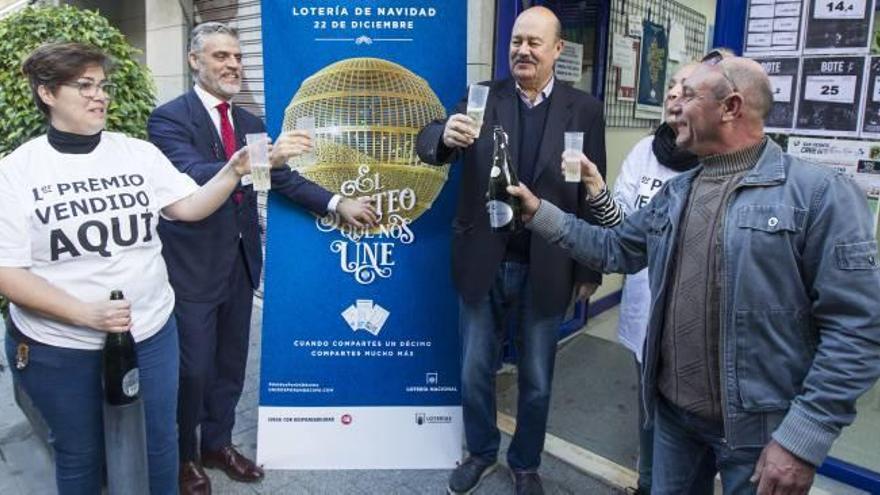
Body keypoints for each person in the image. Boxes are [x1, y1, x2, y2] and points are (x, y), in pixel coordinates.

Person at [511, 54, 880, 495]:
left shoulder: (819, 195)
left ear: (730, 107)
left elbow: (859, 327)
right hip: (673, 421)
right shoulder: (677, 193)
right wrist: (538, 213)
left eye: (687, 95)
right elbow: (615, 248)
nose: (674, 106)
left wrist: (803, 438)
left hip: (760, 435)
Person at [0, 41, 265, 495]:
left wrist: (232, 172)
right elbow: (8, 270)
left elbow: (187, 207)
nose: (98, 96)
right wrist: (86, 315)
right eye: (84, 86)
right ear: (46, 93)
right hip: (60, 345)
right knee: (81, 455)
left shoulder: (136, 154)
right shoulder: (17, 172)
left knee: (160, 444)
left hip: (152, 331)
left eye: (102, 86)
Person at [147, 22, 377, 495]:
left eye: (237, 56)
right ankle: (184, 457)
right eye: (221, 57)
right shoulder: (168, 119)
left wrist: (338, 203)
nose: (233, 64)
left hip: (240, 262)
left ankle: (217, 444)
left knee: (231, 365)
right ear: (195, 61)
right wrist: (257, 163)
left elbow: (284, 180)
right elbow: (192, 177)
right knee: (192, 370)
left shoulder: (250, 123)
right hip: (190, 269)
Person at [416, 7, 606, 495]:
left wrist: (588, 267)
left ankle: (525, 463)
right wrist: (443, 135)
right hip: (484, 260)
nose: (522, 50)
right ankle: (481, 452)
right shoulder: (484, 97)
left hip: (549, 262)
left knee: (537, 378)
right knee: (474, 371)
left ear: (557, 50)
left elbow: (589, 188)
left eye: (534, 43)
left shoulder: (583, 108)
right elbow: (431, 141)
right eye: (517, 41)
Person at [572, 62, 703, 495]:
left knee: (689, 423)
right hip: (647, 306)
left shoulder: (720, 162)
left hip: (696, 320)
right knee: (651, 414)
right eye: (670, 87)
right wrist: (594, 186)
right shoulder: (647, 150)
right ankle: (648, 484)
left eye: (687, 89)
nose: (672, 96)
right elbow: (621, 230)